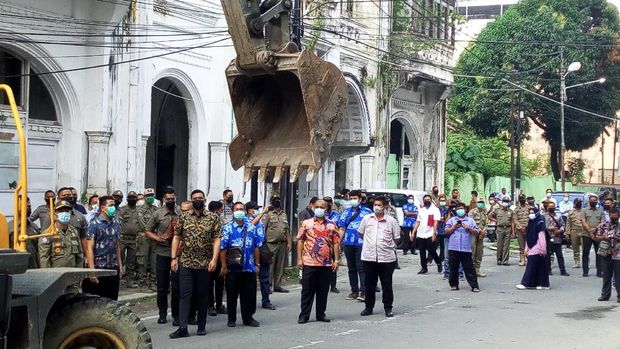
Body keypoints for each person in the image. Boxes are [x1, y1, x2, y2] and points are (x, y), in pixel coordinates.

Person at [169, 190, 221, 339]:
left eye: (200, 198)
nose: (197, 200)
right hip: (186, 262)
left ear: (204, 199)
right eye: (194, 198)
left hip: (205, 263)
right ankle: (183, 327)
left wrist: (214, 259)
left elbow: (217, 239)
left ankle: (201, 326)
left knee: (202, 295)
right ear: (191, 201)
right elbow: (176, 237)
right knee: (184, 295)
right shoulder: (183, 217)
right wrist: (174, 258)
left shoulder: (213, 218)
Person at [296, 199, 340, 323]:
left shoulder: (331, 224)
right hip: (309, 261)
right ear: (313, 207)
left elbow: (336, 243)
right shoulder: (306, 223)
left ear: (326, 209)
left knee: (323, 290)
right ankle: (304, 315)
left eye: (322, 207)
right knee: (307, 290)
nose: (319, 209)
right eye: (317, 207)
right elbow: (300, 240)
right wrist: (299, 259)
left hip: (326, 263)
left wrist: (336, 260)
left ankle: (321, 314)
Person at [220, 202, 262, 328]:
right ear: (233, 211)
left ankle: (248, 318)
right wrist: (224, 266)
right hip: (233, 268)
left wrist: (257, 264)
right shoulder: (227, 228)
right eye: (236, 209)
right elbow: (223, 248)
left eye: (241, 209)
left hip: (249, 267)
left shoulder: (251, 227)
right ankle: (231, 319)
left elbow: (256, 246)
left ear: (245, 211)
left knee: (248, 295)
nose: (239, 211)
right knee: (232, 295)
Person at [358, 196, 400, 317]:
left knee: (386, 284)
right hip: (369, 257)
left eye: (379, 205)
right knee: (369, 284)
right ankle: (368, 307)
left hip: (386, 258)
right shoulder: (367, 219)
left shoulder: (391, 221)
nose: (376, 207)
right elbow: (361, 233)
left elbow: (397, 238)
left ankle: (388, 307)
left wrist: (387, 245)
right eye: (375, 205)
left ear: (385, 207)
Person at [145, 187, 181, 325]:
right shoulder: (158, 213)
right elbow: (147, 230)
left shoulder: (181, 212)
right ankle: (162, 313)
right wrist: (158, 238)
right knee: (162, 286)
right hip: (162, 253)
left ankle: (177, 314)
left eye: (173, 198)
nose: (171, 201)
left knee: (177, 285)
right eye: (168, 199)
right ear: (164, 199)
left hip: (178, 254)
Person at [82, 195, 123, 300]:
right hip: (98, 268)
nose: (113, 207)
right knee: (96, 300)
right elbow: (89, 249)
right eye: (111, 205)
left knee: (112, 301)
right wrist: (92, 270)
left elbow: (117, 246)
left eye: (114, 205)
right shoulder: (94, 225)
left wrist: (120, 266)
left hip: (113, 268)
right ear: (103, 208)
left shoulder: (117, 223)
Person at [337, 190, 372, 301]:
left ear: (360, 199)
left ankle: (364, 291)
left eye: (355, 198)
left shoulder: (367, 212)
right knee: (351, 268)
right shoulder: (346, 212)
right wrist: (338, 243)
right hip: (348, 243)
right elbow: (342, 228)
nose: (353, 200)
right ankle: (354, 291)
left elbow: (371, 228)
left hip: (362, 244)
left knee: (361, 268)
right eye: (351, 198)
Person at [444, 202, 481, 292]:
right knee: (453, 268)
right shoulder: (452, 220)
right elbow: (446, 231)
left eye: (462, 208)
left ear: (465, 210)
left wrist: (469, 228)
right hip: (454, 247)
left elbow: (476, 233)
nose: (460, 210)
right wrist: (454, 227)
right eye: (458, 209)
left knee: (469, 268)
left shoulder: (470, 221)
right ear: (456, 210)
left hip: (466, 248)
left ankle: (474, 286)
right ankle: (454, 285)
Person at [246, 201, 275, 310]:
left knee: (265, 276)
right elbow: (251, 225)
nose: (257, 210)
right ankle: (249, 302)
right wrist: (262, 212)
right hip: (250, 249)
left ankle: (266, 300)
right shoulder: (246, 220)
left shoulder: (260, 221)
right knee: (250, 278)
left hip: (262, 248)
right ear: (249, 210)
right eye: (255, 209)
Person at [38, 200, 83, 269]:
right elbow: (44, 258)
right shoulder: (48, 234)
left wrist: (79, 274)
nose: (64, 213)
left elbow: (79, 255)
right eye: (61, 211)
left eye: (67, 211)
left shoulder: (74, 232)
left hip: (72, 272)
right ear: (54, 214)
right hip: (55, 275)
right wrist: (47, 275)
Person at [516, 208, 550, 290]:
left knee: (531, 267)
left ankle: (526, 283)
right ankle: (539, 284)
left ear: (537, 213)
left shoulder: (540, 223)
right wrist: (526, 249)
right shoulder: (531, 223)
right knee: (538, 268)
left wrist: (543, 250)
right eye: (530, 213)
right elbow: (528, 238)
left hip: (538, 248)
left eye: (532, 213)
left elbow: (542, 238)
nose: (531, 214)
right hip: (531, 247)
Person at [263, 195, 291, 293]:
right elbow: (263, 228)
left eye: (278, 200)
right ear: (271, 202)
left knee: (280, 266)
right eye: (275, 200)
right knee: (270, 265)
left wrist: (289, 243)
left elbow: (287, 229)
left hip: (282, 243)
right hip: (271, 243)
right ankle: (269, 285)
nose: (277, 201)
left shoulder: (284, 214)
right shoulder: (268, 214)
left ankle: (277, 285)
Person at [592, 208, 620, 302]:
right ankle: (605, 295)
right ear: (609, 214)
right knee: (606, 276)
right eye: (612, 214)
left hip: (618, 253)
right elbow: (596, 237)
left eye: (615, 214)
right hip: (605, 252)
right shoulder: (604, 225)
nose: (613, 216)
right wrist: (604, 237)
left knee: (618, 276)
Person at [411, 195, 442, 274]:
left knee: (431, 250)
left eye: (428, 199)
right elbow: (418, 222)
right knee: (422, 251)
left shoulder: (435, 210)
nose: (427, 201)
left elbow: (436, 222)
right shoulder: (421, 210)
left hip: (430, 233)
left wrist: (434, 233)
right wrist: (413, 232)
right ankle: (424, 268)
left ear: (431, 200)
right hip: (421, 233)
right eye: (425, 200)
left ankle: (438, 262)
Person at [8, 196, 40, 269]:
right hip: (14, 269)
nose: (28, 205)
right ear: (17, 206)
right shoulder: (8, 228)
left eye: (29, 204)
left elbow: (38, 250)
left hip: (33, 268)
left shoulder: (34, 227)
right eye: (25, 203)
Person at [207, 201, 227, 315]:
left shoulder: (221, 222)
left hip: (220, 256)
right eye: (221, 210)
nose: (222, 212)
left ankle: (219, 305)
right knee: (209, 283)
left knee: (219, 282)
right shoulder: (209, 221)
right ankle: (210, 305)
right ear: (216, 211)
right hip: (209, 256)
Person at [137, 187, 158, 290]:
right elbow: (142, 225)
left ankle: (153, 282)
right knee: (143, 260)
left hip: (154, 238)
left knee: (154, 261)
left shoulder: (156, 209)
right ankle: (142, 283)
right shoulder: (140, 210)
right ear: (144, 197)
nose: (150, 197)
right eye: (148, 196)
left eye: (152, 195)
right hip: (144, 238)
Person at [118, 191, 140, 288]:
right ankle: (117, 280)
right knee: (120, 260)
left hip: (134, 240)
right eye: (130, 197)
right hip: (122, 239)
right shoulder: (122, 210)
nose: (132, 199)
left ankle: (129, 281)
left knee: (131, 262)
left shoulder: (139, 211)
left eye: (134, 197)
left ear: (137, 199)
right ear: (127, 199)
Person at [542, 201, 569, 276]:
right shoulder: (543, 216)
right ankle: (548, 270)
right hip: (548, 237)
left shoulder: (558, 215)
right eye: (550, 207)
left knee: (559, 255)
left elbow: (563, 225)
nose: (551, 208)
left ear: (555, 207)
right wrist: (549, 228)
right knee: (548, 255)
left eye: (553, 207)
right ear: (547, 208)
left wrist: (559, 231)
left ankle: (563, 270)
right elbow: (542, 226)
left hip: (557, 238)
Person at [581, 194, 604, 277]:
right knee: (585, 253)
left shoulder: (600, 210)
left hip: (597, 235)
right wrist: (590, 231)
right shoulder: (584, 210)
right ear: (589, 201)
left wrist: (595, 229)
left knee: (598, 253)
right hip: (586, 234)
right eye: (591, 200)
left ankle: (599, 271)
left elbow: (602, 222)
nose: (593, 202)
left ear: (597, 201)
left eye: (594, 201)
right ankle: (585, 271)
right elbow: (583, 221)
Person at [324, 196, 341, 293]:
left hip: (332, 241)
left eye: (328, 202)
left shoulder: (335, 214)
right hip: (321, 243)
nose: (327, 204)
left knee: (334, 263)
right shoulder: (318, 213)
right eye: (325, 202)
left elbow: (333, 225)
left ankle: (333, 285)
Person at [490, 197, 515, 265]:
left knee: (506, 246)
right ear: (502, 201)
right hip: (500, 229)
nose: (505, 202)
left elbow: (512, 222)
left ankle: (505, 260)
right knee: (499, 245)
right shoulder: (497, 210)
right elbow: (489, 216)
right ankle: (499, 259)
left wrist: (513, 232)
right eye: (504, 201)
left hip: (508, 229)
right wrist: (496, 221)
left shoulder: (510, 211)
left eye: (507, 201)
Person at [468, 197, 488, 277]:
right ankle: (471, 270)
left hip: (481, 235)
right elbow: (471, 223)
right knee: (472, 252)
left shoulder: (484, 212)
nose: (480, 203)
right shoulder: (472, 212)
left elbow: (486, 224)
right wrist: (479, 231)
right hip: (473, 234)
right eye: (479, 202)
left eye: (482, 202)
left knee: (479, 252)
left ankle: (477, 269)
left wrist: (483, 231)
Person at [566, 198, 584, 269]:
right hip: (574, 231)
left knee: (585, 248)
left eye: (580, 202)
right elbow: (568, 223)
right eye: (578, 202)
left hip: (583, 231)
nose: (579, 204)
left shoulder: (584, 211)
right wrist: (567, 233)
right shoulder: (571, 212)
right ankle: (577, 262)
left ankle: (586, 262)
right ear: (575, 204)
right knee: (575, 248)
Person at [514, 194, 530, 267]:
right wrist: (520, 228)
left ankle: (530, 259)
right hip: (519, 230)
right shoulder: (516, 209)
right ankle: (522, 259)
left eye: (523, 198)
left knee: (529, 245)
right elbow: (515, 219)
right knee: (521, 246)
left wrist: (526, 227)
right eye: (520, 198)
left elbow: (531, 218)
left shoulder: (529, 208)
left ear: (525, 199)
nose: (521, 199)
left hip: (528, 229)